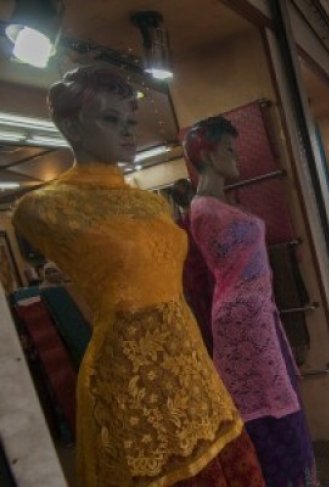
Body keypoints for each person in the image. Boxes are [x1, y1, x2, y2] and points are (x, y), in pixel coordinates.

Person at [12, 66, 264, 486]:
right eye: (111, 120)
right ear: (70, 125)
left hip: (190, 363)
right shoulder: (43, 208)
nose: (128, 131)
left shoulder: (153, 206)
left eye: (130, 121)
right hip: (129, 377)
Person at [186, 116, 319, 487]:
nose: (237, 157)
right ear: (208, 155)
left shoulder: (219, 205)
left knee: (285, 402)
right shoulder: (203, 211)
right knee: (270, 414)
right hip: (242, 321)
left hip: (260, 315)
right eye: (229, 149)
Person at [170, 178, 216, 355]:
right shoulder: (207, 218)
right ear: (193, 191)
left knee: (208, 331)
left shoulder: (178, 228)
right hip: (216, 281)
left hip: (196, 288)